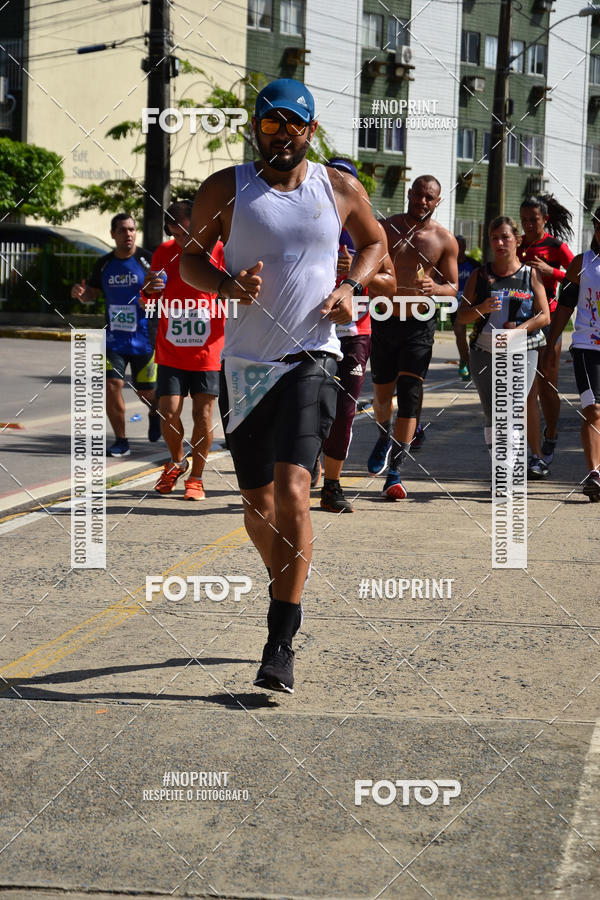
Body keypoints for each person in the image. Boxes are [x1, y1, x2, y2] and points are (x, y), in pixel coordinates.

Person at [180, 78, 386, 693]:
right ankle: (289, 581)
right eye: (270, 123)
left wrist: (352, 286)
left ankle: (279, 643)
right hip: (244, 367)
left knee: (295, 490)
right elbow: (189, 258)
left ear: (310, 130)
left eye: (292, 123)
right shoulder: (226, 187)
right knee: (257, 507)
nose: (281, 134)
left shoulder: (338, 187)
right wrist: (225, 284)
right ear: (255, 127)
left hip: (312, 357)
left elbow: (375, 242)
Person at [367, 175, 459, 499]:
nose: (422, 201)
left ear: (437, 202)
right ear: (409, 194)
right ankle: (383, 434)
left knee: (410, 394)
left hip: (419, 323)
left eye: (429, 198)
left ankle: (395, 472)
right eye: (418, 195)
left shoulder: (444, 240)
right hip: (384, 319)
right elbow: (367, 264)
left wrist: (436, 288)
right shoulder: (384, 228)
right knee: (382, 397)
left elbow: (453, 287)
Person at [317, 157, 396, 514]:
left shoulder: (370, 230)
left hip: (354, 334)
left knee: (344, 410)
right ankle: (309, 462)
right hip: (309, 331)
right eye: (332, 180)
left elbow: (390, 285)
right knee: (308, 406)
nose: (339, 188)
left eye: (345, 181)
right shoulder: (311, 220)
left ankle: (331, 486)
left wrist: (358, 275)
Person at [141, 200, 225, 500]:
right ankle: (177, 462)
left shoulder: (219, 251)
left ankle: (197, 478)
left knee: (203, 414)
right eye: (175, 233)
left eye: (186, 232)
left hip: (208, 349)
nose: (181, 239)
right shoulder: (163, 253)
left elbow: (233, 293)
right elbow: (150, 300)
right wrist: (148, 290)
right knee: (168, 411)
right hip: (171, 349)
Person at [457, 216, 549, 462]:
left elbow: (544, 316)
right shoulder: (479, 275)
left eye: (505, 237)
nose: (499, 243)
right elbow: (462, 317)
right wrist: (482, 308)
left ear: (517, 240)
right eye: (494, 238)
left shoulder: (530, 274)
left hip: (522, 347)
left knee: (512, 410)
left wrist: (520, 331)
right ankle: (501, 467)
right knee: (493, 414)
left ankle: (511, 468)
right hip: (484, 350)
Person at [71, 213, 160, 457]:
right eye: (122, 230)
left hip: (144, 339)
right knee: (112, 386)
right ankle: (121, 441)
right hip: (113, 340)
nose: (128, 234)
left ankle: (155, 412)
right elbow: (91, 294)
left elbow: (164, 292)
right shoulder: (104, 264)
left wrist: (152, 301)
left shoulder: (148, 260)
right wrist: (81, 294)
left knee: (146, 393)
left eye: (131, 229)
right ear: (113, 234)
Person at [541, 210, 600, 501]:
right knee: (593, 409)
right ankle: (594, 474)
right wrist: (551, 342)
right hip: (588, 347)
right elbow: (564, 306)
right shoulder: (581, 263)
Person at [518, 195, 574, 478]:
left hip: (549, 320)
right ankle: (532, 452)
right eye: (524, 220)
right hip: (520, 322)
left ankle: (551, 434)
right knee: (525, 388)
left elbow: (579, 275)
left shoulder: (555, 247)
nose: (528, 225)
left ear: (545, 219)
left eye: (534, 220)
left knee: (546, 384)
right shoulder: (516, 245)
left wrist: (551, 271)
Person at [453, 235, 476, 381]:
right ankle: (465, 360)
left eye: (460, 246)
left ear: (465, 247)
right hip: (455, 305)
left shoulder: (473, 264)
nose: (458, 249)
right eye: (456, 246)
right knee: (458, 331)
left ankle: (474, 361)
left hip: (473, 304)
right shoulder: (449, 263)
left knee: (477, 334)